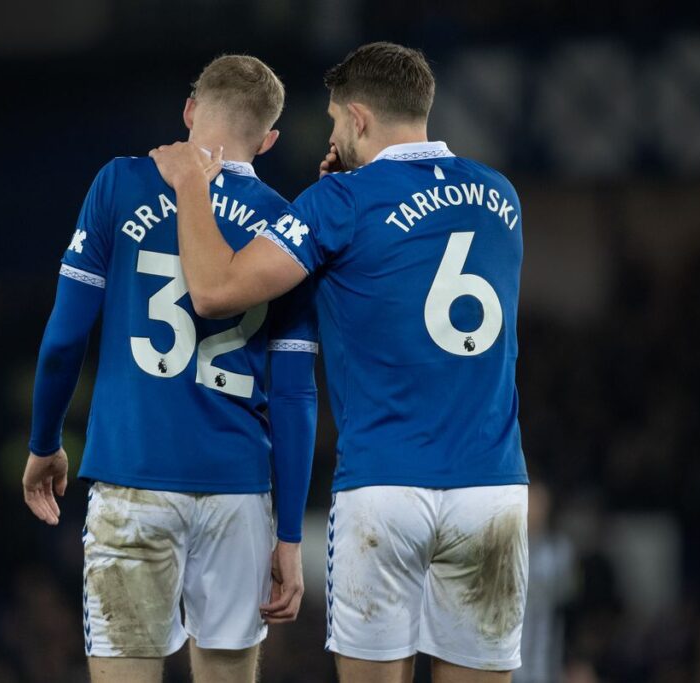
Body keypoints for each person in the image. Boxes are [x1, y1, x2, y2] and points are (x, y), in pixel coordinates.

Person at [150, 42, 530, 683]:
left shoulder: (341, 205)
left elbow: (215, 290)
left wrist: (192, 184)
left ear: (358, 118)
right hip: (491, 491)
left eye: (332, 122)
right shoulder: (502, 198)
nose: (331, 135)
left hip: (385, 487)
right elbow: (403, 260)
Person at [21, 55, 319, 683]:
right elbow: (295, 393)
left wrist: (45, 442)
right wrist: (288, 532)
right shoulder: (287, 225)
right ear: (268, 140)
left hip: (133, 480)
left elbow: (64, 338)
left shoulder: (118, 184)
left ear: (188, 112)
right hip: (236, 491)